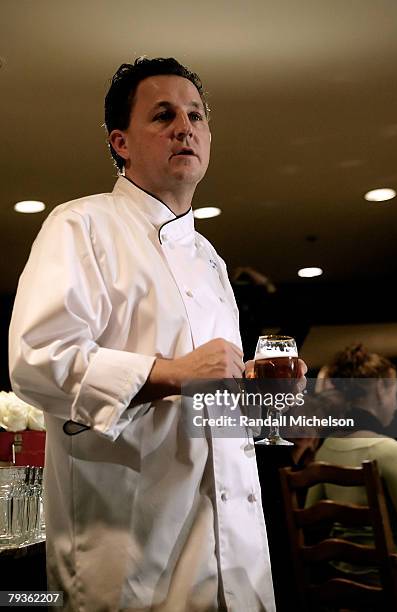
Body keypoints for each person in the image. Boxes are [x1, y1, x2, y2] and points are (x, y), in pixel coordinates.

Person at [8, 57, 284, 611]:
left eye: (196, 115)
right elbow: (36, 359)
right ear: (121, 142)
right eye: (163, 115)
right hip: (130, 558)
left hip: (234, 552)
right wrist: (173, 373)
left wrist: (252, 398)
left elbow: (210, 398)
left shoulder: (210, 259)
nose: (186, 126)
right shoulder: (79, 225)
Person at [306, 344, 397, 584]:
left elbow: (312, 524)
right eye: (395, 393)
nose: (396, 405)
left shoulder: (326, 448)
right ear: (380, 390)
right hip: (392, 583)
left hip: (341, 581)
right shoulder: (389, 450)